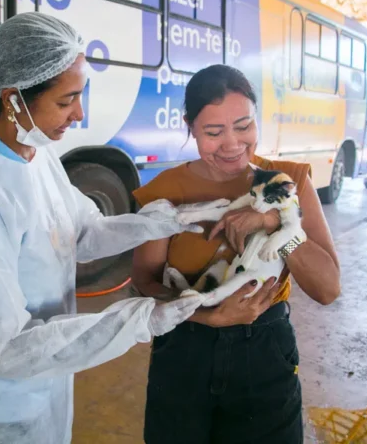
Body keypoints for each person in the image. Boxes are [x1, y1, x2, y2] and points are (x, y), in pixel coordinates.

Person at [0, 13, 211, 444]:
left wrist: (154, 224)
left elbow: (80, 234)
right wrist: (139, 320)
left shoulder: (37, 155)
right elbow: (2, 348)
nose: (79, 115)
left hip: (43, 379)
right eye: (67, 101)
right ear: (13, 100)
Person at [131, 64, 342, 444]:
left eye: (244, 126)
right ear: (190, 127)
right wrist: (208, 316)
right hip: (184, 348)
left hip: (264, 352)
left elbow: (327, 289)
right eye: (213, 132)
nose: (232, 145)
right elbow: (144, 282)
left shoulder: (287, 181)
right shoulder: (165, 193)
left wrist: (277, 224)